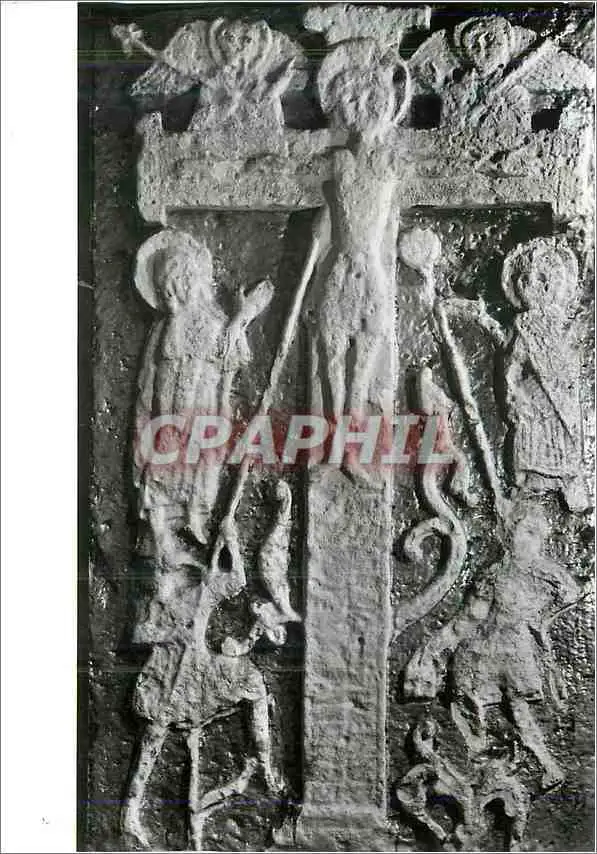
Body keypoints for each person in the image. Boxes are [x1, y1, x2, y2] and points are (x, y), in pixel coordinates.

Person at [134, 229, 273, 562]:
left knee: (202, 466)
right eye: (164, 291)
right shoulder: (168, 325)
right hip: (169, 409)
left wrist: (240, 321)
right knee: (165, 463)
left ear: (190, 281)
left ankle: (195, 521)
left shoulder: (214, 321)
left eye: (174, 288)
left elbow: (234, 357)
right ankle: (160, 533)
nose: (170, 297)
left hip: (204, 406)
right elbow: (152, 372)